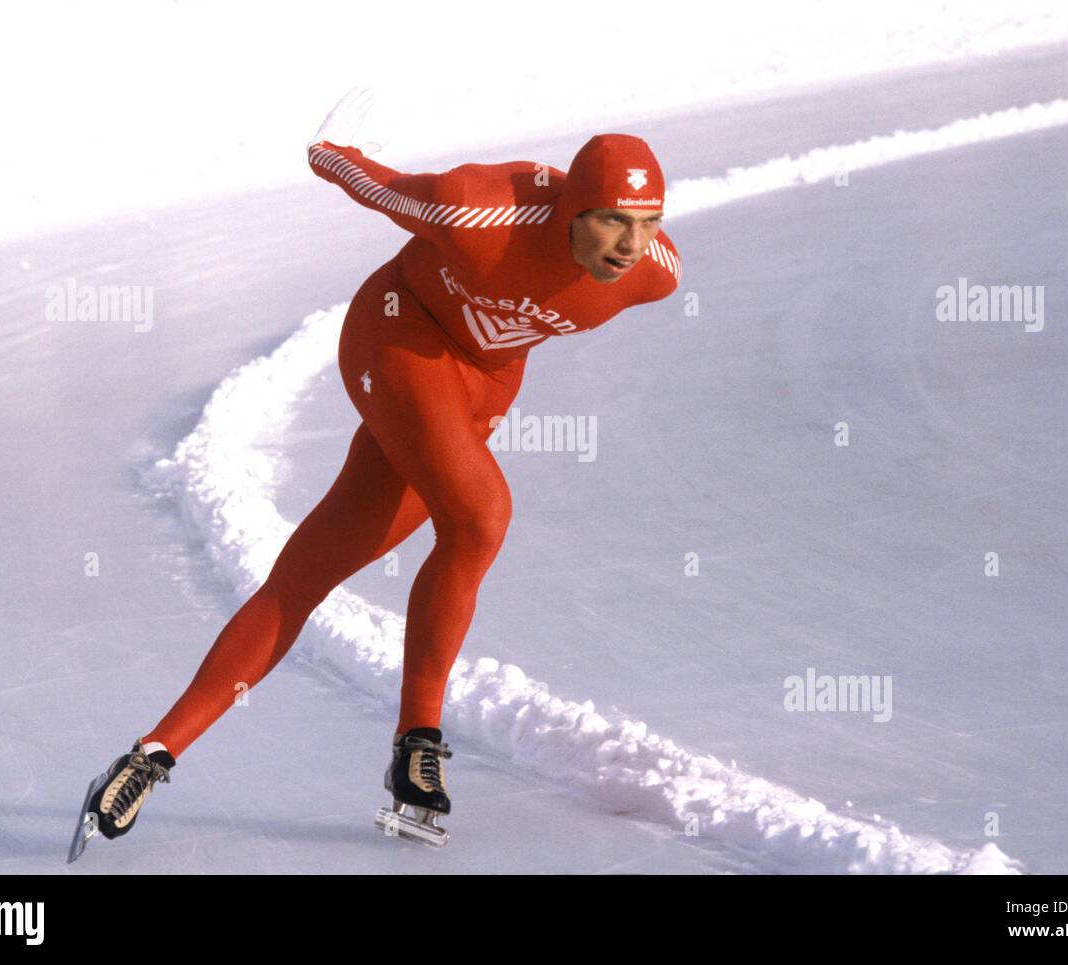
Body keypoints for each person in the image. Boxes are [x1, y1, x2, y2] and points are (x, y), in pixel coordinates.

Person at [81, 86, 682, 847]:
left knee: (312, 572)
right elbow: (373, 183)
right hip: (398, 332)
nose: (630, 244)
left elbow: (627, 261)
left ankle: (150, 753)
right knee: (481, 514)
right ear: (572, 208)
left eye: (647, 222)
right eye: (612, 220)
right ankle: (419, 742)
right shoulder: (480, 212)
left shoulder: (654, 273)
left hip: (480, 384)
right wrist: (331, 148)